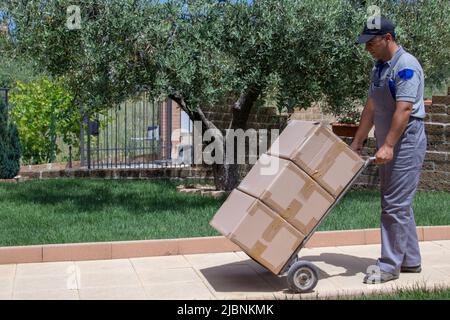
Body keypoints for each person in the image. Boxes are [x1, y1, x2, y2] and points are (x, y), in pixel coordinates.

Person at [351, 16, 427, 284]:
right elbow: (372, 107)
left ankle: (388, 266)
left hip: (405, 142)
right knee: (397, 203)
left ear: (388, 39)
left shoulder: (406, 66)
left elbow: (404, 109)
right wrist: (357, 142)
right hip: (389, 142)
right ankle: (410, 260)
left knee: (393, 205)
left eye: (370, 42)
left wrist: (388, 145)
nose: (366, 48)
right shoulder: (380, 68)